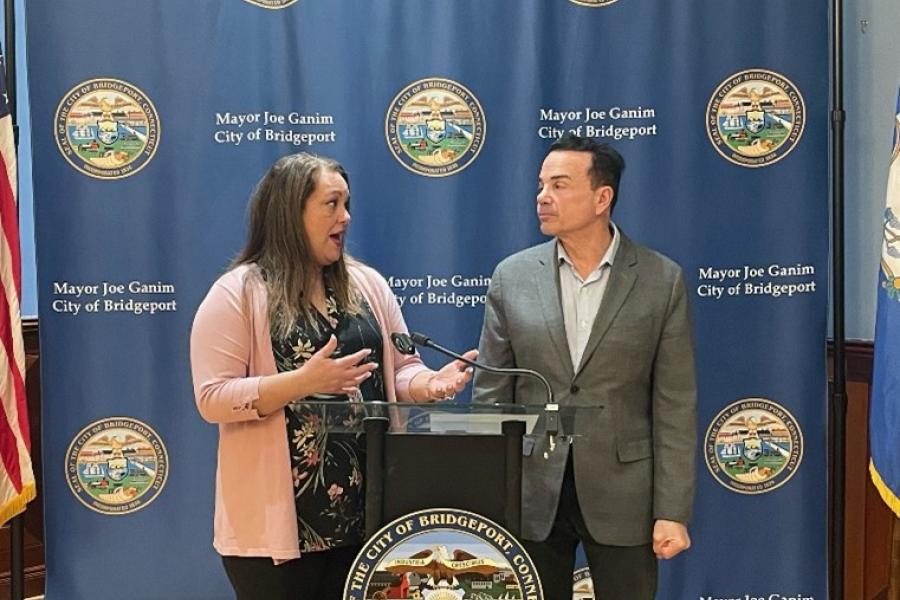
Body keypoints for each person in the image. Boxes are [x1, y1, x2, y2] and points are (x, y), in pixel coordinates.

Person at [190, 152, 476, 600]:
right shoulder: (238, 294)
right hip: (278, 536)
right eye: (331, 204)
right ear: (290, 211)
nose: (345, 217)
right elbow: (212, 396)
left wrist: (430, 385)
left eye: (347, 205)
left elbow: (402, 370)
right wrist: (301, 382)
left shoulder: (368, 286)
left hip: (370, 518)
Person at [472, 134, 696, 600]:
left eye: (558, 185)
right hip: (531, 493)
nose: (542, 197)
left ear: (602, 197)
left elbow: (675, 404)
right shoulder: (511, 277)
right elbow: (491, 396)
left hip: (624, 493)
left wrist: (671, 509)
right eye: (540, 185)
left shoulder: (660, 280)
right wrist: (489, 497)